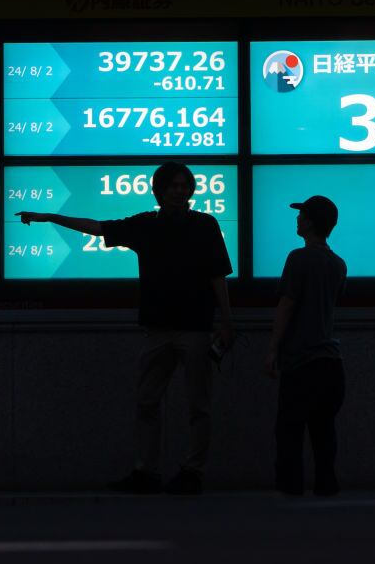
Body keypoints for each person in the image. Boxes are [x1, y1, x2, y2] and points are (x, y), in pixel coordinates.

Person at [17, 162, 233, 495]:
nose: (179, 191)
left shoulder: (205, 225)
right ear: (160, 191)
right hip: (160, 327)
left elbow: (218, 276)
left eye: (183, 185)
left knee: (195, 404)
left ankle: (189, 471)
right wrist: (52, 217)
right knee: (149, 401)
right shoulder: (146, 224)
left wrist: (227, 322)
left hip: (194, 326)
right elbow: (99, 228)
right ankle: (150, 471)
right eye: (173, 186)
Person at [265, 195, 347, 497]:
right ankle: (326, 484)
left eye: (302, 215)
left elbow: (287, 304)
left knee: (289, 429)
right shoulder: (339, 264)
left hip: (301, 361)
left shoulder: (298, 259)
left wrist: (273, 348)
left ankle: (290, 488)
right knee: (323, 430)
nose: (297, 219)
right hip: (330, 362)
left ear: (310, 221)